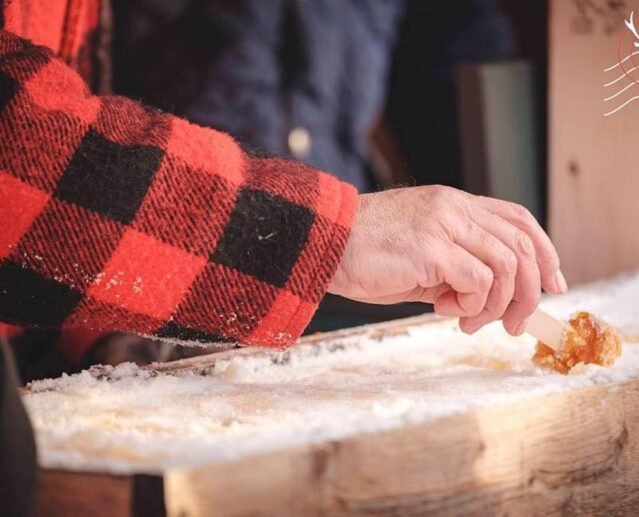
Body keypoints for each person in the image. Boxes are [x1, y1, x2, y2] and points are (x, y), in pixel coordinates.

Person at [0, 1, 565, 514]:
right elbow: (18, 144)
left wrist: (488, 240)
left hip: (319, 279)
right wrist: (329, 236)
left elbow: (451, 59)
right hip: (192, 279)